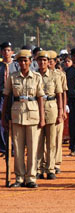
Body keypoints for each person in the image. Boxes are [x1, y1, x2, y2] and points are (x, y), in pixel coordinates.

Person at [2, 49, 45, 188]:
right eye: (20, 61)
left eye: (25, 60)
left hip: (33, 115)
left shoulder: (37, 77)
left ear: (30, 62)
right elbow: (7, 98)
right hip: (17, 115)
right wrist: (4, 117)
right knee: (18, 149)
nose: (23, 63)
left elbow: (40, 98)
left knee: (32, 148)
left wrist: (42, 118)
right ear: (18, 62)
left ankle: (31, 177)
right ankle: (19, 177)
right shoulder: (13, 77)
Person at [35, 51, 63, 180]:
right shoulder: (34, 75)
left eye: (45, 60)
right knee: (39, 142)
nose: (42, 63)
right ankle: (39, 168)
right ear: (37, 62)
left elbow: (59, 94)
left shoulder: (54, 75)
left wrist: (61, 111)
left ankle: (50, 168)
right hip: (36, 110)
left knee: (51, 142)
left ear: (48, 62)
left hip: (51, 108)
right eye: (40, 60)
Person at [48, 50, 67, 174]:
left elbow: (63, 92)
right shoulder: (38, 74)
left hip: (56, 107)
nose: (48, 63)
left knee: (57, 137)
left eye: (51, 61)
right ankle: (46, 162)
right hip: (45, 108)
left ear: (55, 62)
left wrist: (63, 110)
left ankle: (56, 163)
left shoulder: (60, 74)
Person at [0, 41, 20, 156]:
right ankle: (3, 147)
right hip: (1, 96)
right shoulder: (0, 66)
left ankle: (13, 147)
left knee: (14, 120)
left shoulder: (16, 66)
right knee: (1, 121)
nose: (6, 52)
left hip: (13, 95)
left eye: (8, 50)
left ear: (12, 52)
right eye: (4, 50)